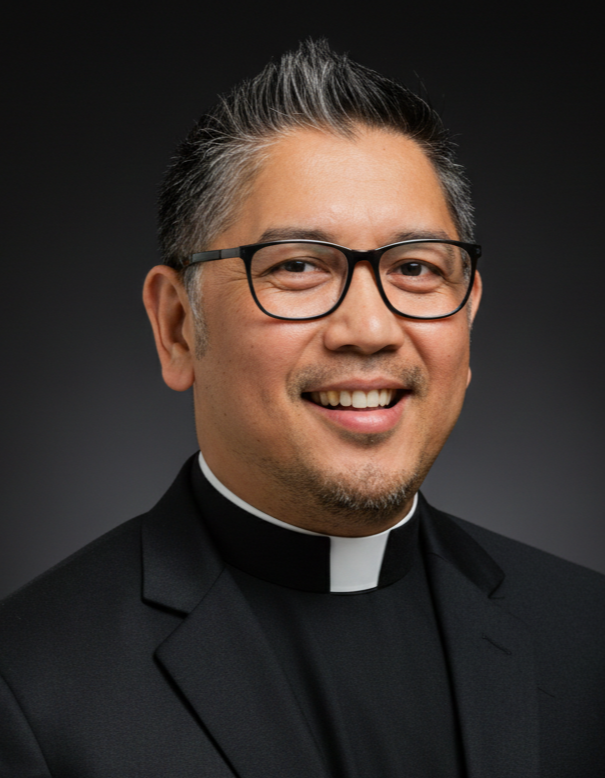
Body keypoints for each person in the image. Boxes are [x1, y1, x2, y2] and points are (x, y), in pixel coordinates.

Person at [0, 38, 603, 778]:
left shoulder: (589, 637)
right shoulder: (27, 685)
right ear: (177, 327)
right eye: (296, 267)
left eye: (414, 268)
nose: (369, 330)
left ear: (467, 318)